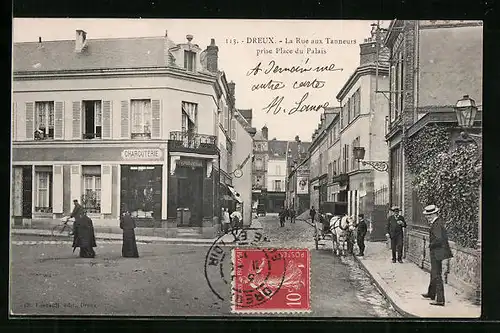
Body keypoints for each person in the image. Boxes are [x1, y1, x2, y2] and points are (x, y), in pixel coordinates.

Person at [421, 205, 453, 306]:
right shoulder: (437, 222)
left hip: (437, 252)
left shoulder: (437, 224)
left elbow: (439, 239)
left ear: (434, 213)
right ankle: (431, 293)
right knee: (433, 272)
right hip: (437, 251)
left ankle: (440, 300)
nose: (428, 217)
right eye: (427, 215)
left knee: (437, 274)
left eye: (429, 215)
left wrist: (430, 245)